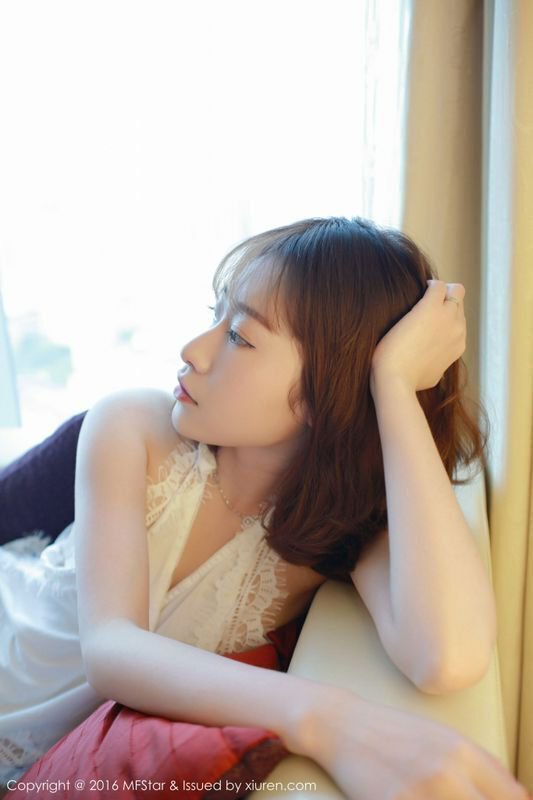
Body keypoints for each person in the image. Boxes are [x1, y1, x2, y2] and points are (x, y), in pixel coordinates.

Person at [0, 215, 528, 800]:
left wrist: (393, 384)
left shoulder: (338, 534)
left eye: (239, 337)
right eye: (216, 315)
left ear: (326, 394)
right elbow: (111, 647)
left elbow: (448, 657)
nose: (193, 351)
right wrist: (333, 720)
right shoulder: (134, 427)